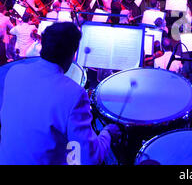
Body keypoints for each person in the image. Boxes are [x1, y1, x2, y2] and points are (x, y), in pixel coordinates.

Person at [0, 22, 121, 164]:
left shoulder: (15, 72)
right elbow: (88, 159)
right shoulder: (74, 94)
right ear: (72, 54)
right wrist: (107, 134)